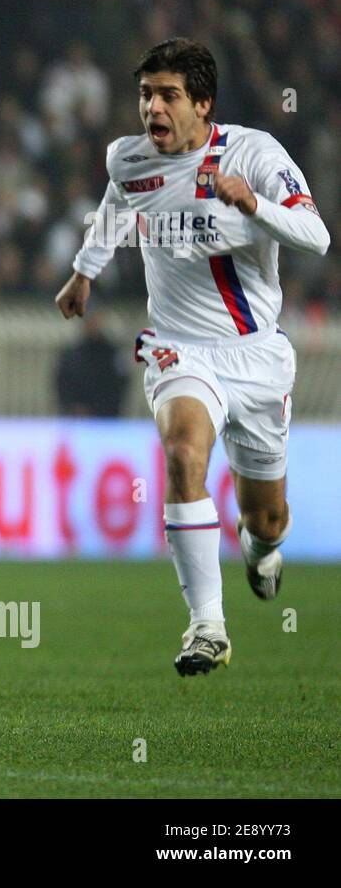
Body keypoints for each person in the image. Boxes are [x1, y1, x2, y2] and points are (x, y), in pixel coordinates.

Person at [55, 38, 330, 676]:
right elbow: (117, 207)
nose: (153, 106)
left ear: (202, 103)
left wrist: (252, 204)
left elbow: (315, 236)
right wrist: (84, 272)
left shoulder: (256, 155)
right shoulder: (128, 159)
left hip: (256, 356)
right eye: (146, 94)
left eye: (168, 95)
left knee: (269, 516)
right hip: (180, 350)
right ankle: (207, 626)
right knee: (182, 454)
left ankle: (259, 547)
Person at [54, 311, 129, 417]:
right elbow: (63, 383)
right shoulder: (71, 356)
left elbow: (121, 383)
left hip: (106, 416)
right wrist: (74, 406)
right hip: (78, 416)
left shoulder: (113, 354)